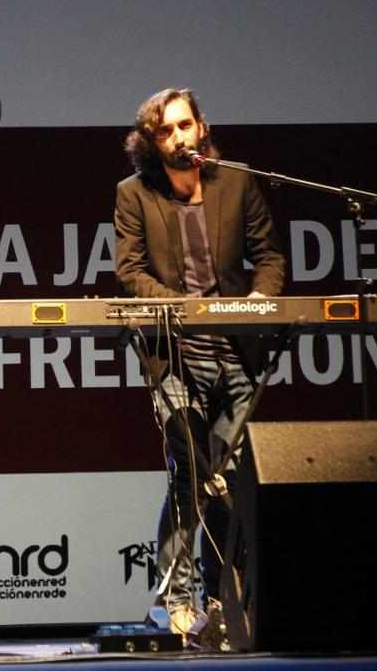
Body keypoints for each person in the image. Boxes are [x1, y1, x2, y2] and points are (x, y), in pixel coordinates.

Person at [114, 87, 285, 636]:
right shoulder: (134, 194)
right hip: (177, 355)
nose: (178, 137)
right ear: (151, 142)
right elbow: (131, 272)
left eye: (185, 125)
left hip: (236, 354)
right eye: (165, 131)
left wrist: (261, 300)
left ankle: (225, 602)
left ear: (202, 128)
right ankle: (177, 599)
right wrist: (180, 308)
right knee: (189, 473)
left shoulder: (235, 182)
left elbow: (270, 256)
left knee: (229, 479)